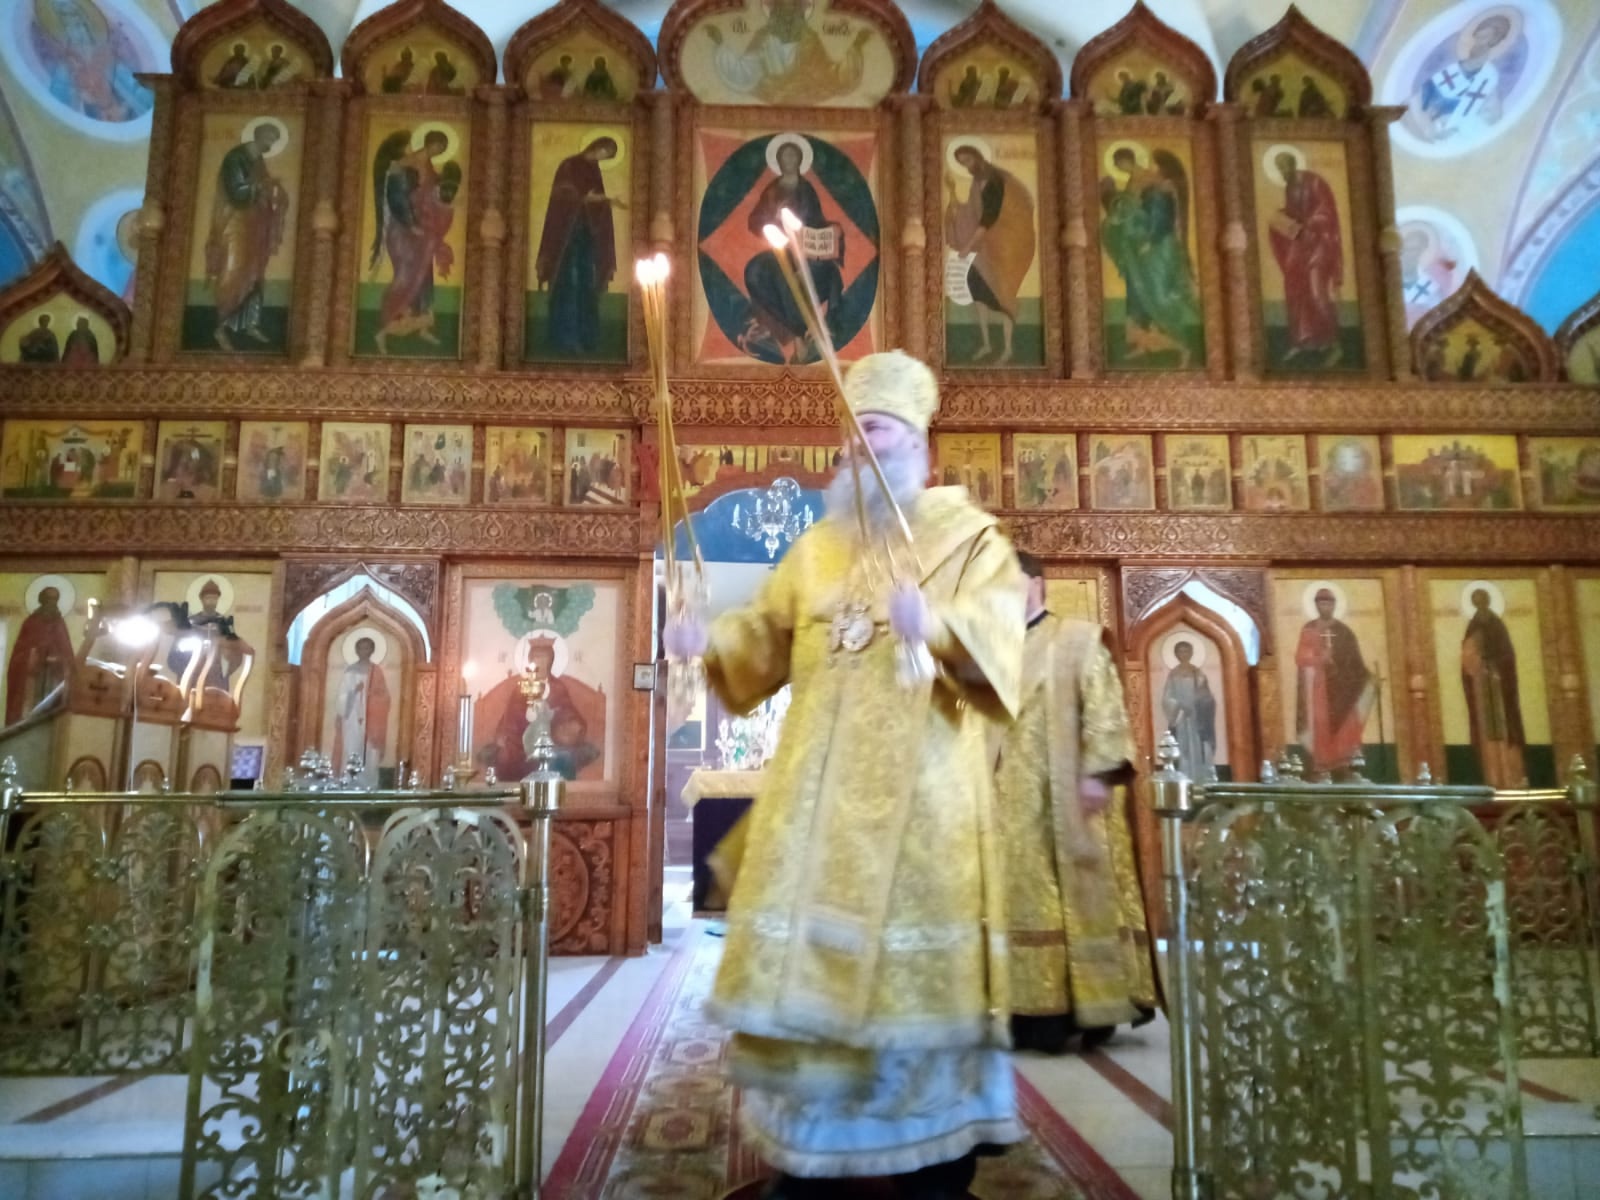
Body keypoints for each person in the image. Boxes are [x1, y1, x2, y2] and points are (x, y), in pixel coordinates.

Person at [664, 350, 1026, 1198]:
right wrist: (707, 640)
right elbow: (763, 638)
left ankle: (934, 1161)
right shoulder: (816, 548)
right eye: (855, 428)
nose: (863, 442)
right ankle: (812, 1162)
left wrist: (936, 623)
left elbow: (1003, 638)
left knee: (912, 1000)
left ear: (918, 442)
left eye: (882, 427)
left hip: (921, 815)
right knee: (810, 993)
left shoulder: (969, 538)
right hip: (816, 814)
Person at [996, 552, 1158, 1054]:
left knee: (1080, 898)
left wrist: (1098, 773)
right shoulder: (989, 650)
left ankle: (1093, 1007)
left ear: (1036, 584)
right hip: (1006, 802)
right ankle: (1027, 1010)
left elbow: (1106, 708)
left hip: (1069, 794)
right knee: (1020, 899)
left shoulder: (1077, 639)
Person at [741, 137, 841, 364]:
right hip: (780, 248)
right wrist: (772, 220)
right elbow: (755, 220)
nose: (789, 160)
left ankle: (802, 334)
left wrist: (832, 232)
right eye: (785, 156)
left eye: (793, 155)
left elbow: (817, 220)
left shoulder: (807, 189)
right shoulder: (772, 190)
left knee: (796, 275)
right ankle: (798, 332)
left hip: (804, 250)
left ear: (799, 160)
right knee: (755, 271)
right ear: (778, 160)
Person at [1100, 147, 1201, 366]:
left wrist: (1150, 239)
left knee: (1159, 295)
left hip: (1158, 247)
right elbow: (1127, 213)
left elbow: (1162, 212)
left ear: (1126, 161)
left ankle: (1182, 345)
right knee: (1138, 292)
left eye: (1119, 164)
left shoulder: (1153, 180)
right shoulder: (1133, 183)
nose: (1119, 168)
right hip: (1140, 249)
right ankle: (1143, 342)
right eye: (1116, 166)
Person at [369, 129, 463, 353]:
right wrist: (411, 224)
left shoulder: (429, 168)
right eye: (438, 146)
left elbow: (433, 192)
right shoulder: (404, 164)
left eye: (443, 149)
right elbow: (396, 197)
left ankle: (422, 325)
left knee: (424, 277)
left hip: (423, 233)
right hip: (403, 230)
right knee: (405, 275)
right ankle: (386, 328)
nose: (439, 151)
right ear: (431, 143)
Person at [945, 143, 1035, 365]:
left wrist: (968, 246)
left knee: (1004, 293)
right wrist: (952, 190)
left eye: (968, 160)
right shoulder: (977, 183)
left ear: (978, 157)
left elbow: (988, 218)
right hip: (985, 247)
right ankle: (986, 344)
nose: (967, 166)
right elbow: (970, 213)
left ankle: (1007, 349)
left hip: (1003, 246)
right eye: (962, 163)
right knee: (977, 289)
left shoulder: (996, 181)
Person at [535, 137, 623, 356]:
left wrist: (606, 201)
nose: (604, 157)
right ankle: (565, 339)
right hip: (566, 237)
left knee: (587, 284)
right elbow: (562, 195)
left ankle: (587, 338)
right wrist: (586, 198)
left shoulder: (594, 170)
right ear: (597, 146)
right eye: (605, 152)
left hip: (585, 236)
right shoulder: (569, 165)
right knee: (568, 284)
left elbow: (594, 200)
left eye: (608, 156)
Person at [206, 119, 288, 350]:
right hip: (234, 224)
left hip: (255, 225)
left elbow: (260, 188)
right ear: (259, 135)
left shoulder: (257, 160)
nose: (271, 144)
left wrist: (272, 190)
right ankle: (220, 326)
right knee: (233, 270)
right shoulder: (236, 158)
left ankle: (249, 323)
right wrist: (262, 186)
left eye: (275, 141)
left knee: (255, 272)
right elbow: (237, 192)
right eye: (270, 138)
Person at [1266, 149, 1343, 365]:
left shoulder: (1314, 182)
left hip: (1319, 244)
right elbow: (1295, 214)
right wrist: (1281, 218)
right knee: (1294, 289)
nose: (1282, 172)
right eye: (1279, 169)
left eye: (1284, 167)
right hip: (1300, 243)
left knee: (1317, 291)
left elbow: (1326, 211)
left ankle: (1333, 343)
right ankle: (1302, 340)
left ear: (1293, 164)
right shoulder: (1290, 187)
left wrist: (1310, 222)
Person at [1294, 588, 1374, 776]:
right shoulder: (1309, 629)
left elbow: (1355, 662)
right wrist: (1320, 659)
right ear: (1316, 606)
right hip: (1319, 688)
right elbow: (1300, 658)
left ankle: (1344, 763)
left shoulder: (1344, 632)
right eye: (1322, 604)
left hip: (1343, 689)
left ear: (1334, 606)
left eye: (1329, 603)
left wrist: (1370, 678)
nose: (1325, 607)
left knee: (1346, 723)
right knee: (1321, 725)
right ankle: (1322, 764)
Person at [1461, 588, 1525, 788]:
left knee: (1506, 731)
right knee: (1487, 734)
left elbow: (1508, 655)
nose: (1480, 604)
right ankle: (1492, 778)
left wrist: (1495, 665)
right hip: (1482, 687)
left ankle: (1512, 778)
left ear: (1488, 601)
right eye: (1476, 601)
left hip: (1499, 687)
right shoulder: (1472, 627)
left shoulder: (1497, 625)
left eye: (1483, 600)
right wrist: (1476, 664)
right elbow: (1467, 659)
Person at [5, 585, 76, 724]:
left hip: (52, 678)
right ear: (42, 600)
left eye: (55, 599)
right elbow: (19, 652)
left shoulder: (59, 624)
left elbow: (66, 651)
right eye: (49, 599)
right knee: (28, 712)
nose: (52, 603)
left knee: (49, 713)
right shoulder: (31, 623)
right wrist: (33, 655)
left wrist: (60, 660)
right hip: (32, 679)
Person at [331, 635, 390, 778]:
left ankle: (368, 781)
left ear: (372, 650)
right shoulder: (350, 671)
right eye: (361, 648)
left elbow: (385, 697)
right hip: (351, 716)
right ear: (356, 650)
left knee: (369, 750)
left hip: (372, 718)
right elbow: (342, 695)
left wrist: (372, 694)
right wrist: (354, 691)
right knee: (351, 746)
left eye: (367, 648)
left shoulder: (376, 671)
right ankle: (348, 780)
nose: (364, 651)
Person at [1162, 640, 1215, 779]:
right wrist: (1179, 705)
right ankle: (1182, 775)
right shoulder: (1173, 674)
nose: (1183, 654)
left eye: (1186, 651)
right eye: (1180, 651)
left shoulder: (1198, 673)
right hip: (1180, 716)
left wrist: (1197, 703)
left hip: (1197, 717)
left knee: (1197, 745)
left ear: (1191, 653)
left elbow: (1207, 696)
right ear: (1176, 654)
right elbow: (1167, 697)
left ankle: (1199, 776)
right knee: (1181, 745)